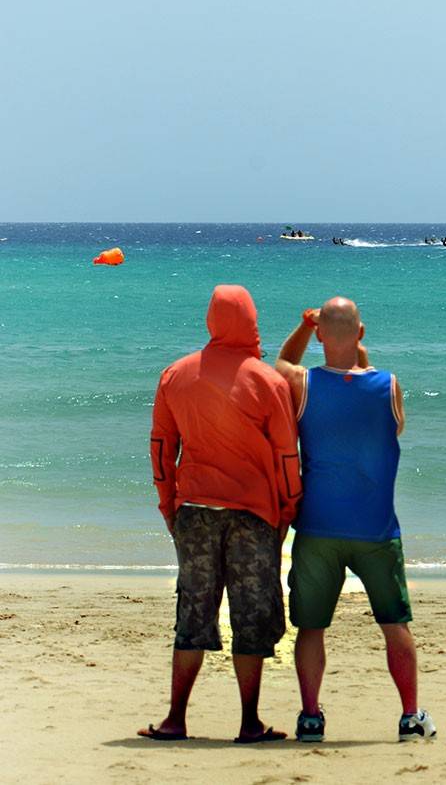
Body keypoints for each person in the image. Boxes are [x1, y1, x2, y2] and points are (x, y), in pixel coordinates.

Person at [142, 284, 300, 744]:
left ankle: (175, 720)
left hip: (194, 510)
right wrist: (288, 508)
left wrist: (167, 503)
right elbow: (287, 456)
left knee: (192, 614)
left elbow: (160, 448)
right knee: (251, 618)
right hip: (253, 517)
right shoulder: (266, 381)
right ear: (251, 320)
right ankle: (249, 723)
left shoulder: (175, 374)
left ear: (211, 320)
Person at [275, 298, 435, 743]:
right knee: (394, 624)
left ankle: (310, 717)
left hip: (318, 529)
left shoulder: (302, 384)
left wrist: (305, 325)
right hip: (377, 530)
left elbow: (282, 361)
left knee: (311, 627)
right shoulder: (389, 386)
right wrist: (357, 358)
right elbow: (391, 425)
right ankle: (409, 717)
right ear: (362, 334)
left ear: (322, 334)